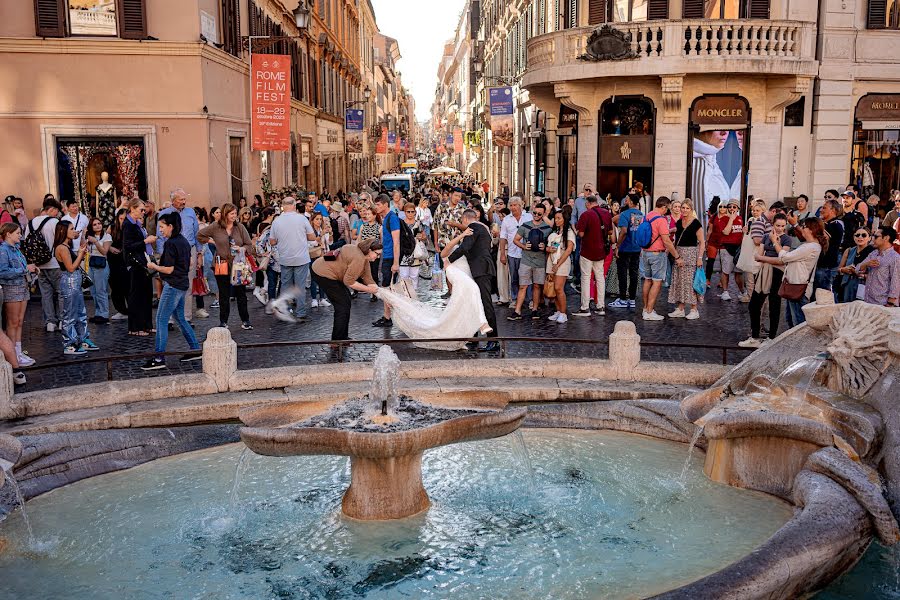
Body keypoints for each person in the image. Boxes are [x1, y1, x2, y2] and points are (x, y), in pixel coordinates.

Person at [142, 213, 202, 370]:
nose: (160, 230)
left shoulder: (170, 244)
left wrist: (154, 266)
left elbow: (169, 269)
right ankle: (195, 349)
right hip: (182, 284)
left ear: (170, 226)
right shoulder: (184, 241)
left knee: (161, 319)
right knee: (180, 318)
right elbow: (189, 263)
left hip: (173, 285)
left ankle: (159, 358)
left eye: (162, 227)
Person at [443, 209, 498, 350]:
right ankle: (474, 338)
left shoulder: (474, 227)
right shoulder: (483, 229)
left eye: (462, 221)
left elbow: (465, 247)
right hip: (481, 268)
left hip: (482, 269)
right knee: (475, 303)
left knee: (485, 304)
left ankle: (494, 340)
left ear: (466, 219)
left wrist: (449, 260)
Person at [756, 217, 825, 328]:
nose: (802, 229)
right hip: (793, 284)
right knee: (791, 320)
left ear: (811, 229)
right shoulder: (809, 245)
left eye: (804, 226)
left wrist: (774, 242)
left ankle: (799, 345)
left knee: (799, 324)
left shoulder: (811, 247)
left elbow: (785, 257)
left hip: (798, 287)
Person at [311, 239, 382, 342]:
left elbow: (368, 278)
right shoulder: (359, 259)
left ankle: (342, 337)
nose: (378, 257)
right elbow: (349, 282)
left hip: (323, 269)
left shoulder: (363, 256)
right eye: (377, 254)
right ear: (369, 250)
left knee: (346, 300)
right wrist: (369, 290)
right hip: (322, 273)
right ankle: (337, 340)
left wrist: (380, 292)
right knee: (342, 305)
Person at [198, 203, 254, 330]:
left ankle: (245, 320)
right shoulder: (215, 226)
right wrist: (211, 241)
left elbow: (249, 245)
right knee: (224, 294)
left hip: (238, 265)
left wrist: (241, 248)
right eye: (232, 214)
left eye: (235, 213)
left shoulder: (239, 227)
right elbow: (200, 235)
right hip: (221, 263)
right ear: (225, 214)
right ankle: (223, 321)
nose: (235, 216)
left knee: (241, 293)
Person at [739, 213, 791, 348]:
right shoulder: (766, 236)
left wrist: (767, 257)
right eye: (777, 225)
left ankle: (772, 338)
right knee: (754, 305)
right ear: (772, 225)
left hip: (777, 274)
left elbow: (782, 259)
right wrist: (769, 259)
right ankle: (755, 337)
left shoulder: (786, 239)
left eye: (782, 226)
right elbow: (758, 255)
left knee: (775, 305)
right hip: (764, 273)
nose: (780, 228)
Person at [267, 196, 316, 323]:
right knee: (300, 285)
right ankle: (300, 312)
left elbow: (272, 241)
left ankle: (285, 310)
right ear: (294, 205)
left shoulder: (277, 221)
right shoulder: (302, 219)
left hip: (285, 258)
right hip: (301, 257)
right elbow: (312, 237)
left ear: (283, 206)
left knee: (285, 285)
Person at [156, 188, 202, 322]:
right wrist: (161, 255)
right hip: (171, 251)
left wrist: (199, 253)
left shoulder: (190, 212)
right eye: (181, 200)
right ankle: (170, 318)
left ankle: (186, 317)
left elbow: (196, 233)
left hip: (189, 251)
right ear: (173, 201)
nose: (184, 202)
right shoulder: (164, 214)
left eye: (184, 199)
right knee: (169, 284)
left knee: (187, 284)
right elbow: (160, 236)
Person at [54, 220, 99, 355]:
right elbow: (71, 268)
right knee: (70, 314)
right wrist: (80, 254)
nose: (74, 231)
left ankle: (82, 338)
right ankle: (69, 343)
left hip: (75, 282)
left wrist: (81, 252)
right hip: (69, 282)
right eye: (71, 229)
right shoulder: (61, 248)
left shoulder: (66, 246)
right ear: (63, 231)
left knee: (80, 313)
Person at [0, 222, 38, 366]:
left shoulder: (16, 249)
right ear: (8, 234)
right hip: (11, 288)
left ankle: (19, 351)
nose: (20, 235)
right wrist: (25, 270)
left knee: (20, 322)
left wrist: (30, 269)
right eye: (17, 233)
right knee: (12, 322)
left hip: (22, 287)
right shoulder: (3, 250)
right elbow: (2, 272)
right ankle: (14, 355)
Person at [509, 202, 552, 320]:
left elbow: (552, 244)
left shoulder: (547, 229)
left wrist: (546, 248)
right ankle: (517, 311)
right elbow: (515, 240)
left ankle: (534, 310)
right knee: (523, 286)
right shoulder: (525, 225)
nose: (536, 215)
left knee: (537, 286)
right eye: (535, 213)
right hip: (526, 260)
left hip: (540, 261)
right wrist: (523, 246)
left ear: (543, 214)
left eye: (539, 214)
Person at [26, 197, 63, 331]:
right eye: (57, 211)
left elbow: (26, 242)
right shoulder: (55, 222)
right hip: (55, 263)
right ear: (52, 209)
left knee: (46, 294)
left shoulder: (31, 222)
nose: (58, 214)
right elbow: (61, 242)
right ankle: (62, 321)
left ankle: (50, 323)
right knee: (61, 293)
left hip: (39, 265)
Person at [574, 195, 613, 318]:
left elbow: (581, 233)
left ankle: (585, 307)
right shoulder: (607, 214)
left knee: (586, 278)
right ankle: (600, 306)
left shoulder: (586, 215)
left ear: (587, 204)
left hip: (587, 251)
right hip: (601, 251)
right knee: (600, 277)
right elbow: (610, 232)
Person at [640, 196, 678, 321]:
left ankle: (645, 309)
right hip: (657, 254)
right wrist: (676, 256)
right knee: (657, 282)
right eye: (667, 209)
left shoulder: (646, 216)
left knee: (647, 280)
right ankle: (650, 312)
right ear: (664, 206)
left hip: (645, 252)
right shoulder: (661, 220)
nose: (667, 212)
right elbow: (666, 241)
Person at [122, 198, 156, 336]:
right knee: (136, 296)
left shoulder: (137, 224)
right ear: (132, 209)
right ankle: (135, 328)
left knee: (147, 294)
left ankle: (147, 325)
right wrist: (145, 241)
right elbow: (128, 246)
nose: (144, 212)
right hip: (136, 263)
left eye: (144, 209)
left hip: (143, 262)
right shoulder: (128, 225)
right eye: (141, 209)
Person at [667, 204, 705, 319]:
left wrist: (700, 258)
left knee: (691, 282)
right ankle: (680, 308)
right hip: (679, 254)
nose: (684, 210)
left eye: (687, 208)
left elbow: (702, 242)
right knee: (679, 281)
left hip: (691, 255)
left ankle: (694, 309)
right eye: (683, 208)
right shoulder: (678, 222)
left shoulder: (696, 223)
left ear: (691, 209)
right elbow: (677, 239)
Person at [372, 194, 401, 327]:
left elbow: (396, 242)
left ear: (385, 204)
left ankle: (388, 317)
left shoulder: (392, 218)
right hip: (387, 256)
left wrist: (395, 263)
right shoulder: (386, 218)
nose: (376, 207)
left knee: (387, 288)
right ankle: (387, 316)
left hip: (390, 258)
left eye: (378, 205)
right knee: (386, 288)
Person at [610, 195, 643, 309]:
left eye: (627, 199)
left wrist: (617, 246)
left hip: (625, 248)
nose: (626, 200)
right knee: (633, 273)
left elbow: (623, 231)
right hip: (636, 247)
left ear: (630, 201)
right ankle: (632, 299)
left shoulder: (624, 214)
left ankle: (623, 299)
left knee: (622, 273)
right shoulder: (640, 214)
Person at [854, 226, 900, 307]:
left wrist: (890, 303)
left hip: (883, 304)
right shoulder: (873, 253)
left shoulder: (895, 257)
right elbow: (857, 269)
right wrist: (866, 264)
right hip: (867, 300)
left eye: (876, 236)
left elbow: (896, 281)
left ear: (886, 238)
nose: (873, 239)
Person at [499, 196, 532, 308]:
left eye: (515, 205)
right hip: (512, 253)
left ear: (520, 205)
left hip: (526, 253)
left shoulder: (528, 217)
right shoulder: (507, 219)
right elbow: (503, 237)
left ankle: (529, 299)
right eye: (511, 205)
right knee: (514, 277)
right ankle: (514, 298)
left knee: (527, 277)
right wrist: (502, 254)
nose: (513, 208)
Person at [546, 205, 576, 323]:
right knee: (554, 288)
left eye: (559, 218)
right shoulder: (555, 232)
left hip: (562, 262)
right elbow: (549, 247)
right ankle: (558, 311)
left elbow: (569, 250)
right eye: (556, 218)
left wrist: (558, 264)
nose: (557, 220)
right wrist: (548, 250)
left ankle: (563, 313)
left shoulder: (569, 232)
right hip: (552, 261)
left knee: (559, 288)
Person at [84, 217, 112, 324]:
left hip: (102, 265)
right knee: (93, 291)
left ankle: (104, 314)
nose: (98, 226)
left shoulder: (107, 236)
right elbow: (84, 246)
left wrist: (96, 242)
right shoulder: (89, 237)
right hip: (91, 264)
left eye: (99, 223)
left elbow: (104, 251)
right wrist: (84, 234)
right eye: (95, 224)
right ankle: (98, 313)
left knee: (101, 290)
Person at [836, 227, 874, 303]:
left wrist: (859, 273)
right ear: (854, 237)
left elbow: (875, 274)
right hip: (848, 284)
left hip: (864, 285)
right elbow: (839, 268)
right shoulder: (849, 250)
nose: (860, 237)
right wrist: (844, 269)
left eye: (863, 235)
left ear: (869, 238)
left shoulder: (873, 252)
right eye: (857, 235)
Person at [817, 199, 845, 296]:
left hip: (827, 266)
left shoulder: (834, 224)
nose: (821, 210)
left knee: (824, 296)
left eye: (824, 208)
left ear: (833, 210)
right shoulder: (829, 224)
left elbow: (820, 240)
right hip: (823, 265)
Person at [107, 208, 130, 321]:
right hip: (113, 260)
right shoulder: (112, 228)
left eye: (125, 219)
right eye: (121, 219)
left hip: (126, 260)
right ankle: (121, 310)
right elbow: (104, 241)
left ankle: (130, 310)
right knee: (115, 286)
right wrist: (110, 248)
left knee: (127, 286)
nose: (123, 221)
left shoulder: (131, 228)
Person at [399, 202, 425, 291]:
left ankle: (413, 295)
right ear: (405, 212)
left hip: (415, 252)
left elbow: (424, 237)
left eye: (412, 211)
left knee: (414, 276)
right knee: (403, 276)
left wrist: (422, 237)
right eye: (408, 212)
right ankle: (405, 295)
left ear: (415, 212)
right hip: (404, 252)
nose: (410, 214)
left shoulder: (418, 223)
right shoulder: (401, 224)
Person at [308, 212, 332, 308]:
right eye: (317, 219)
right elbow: (311, 244)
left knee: (323, 277)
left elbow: (330, 242)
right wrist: (320, 235)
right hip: (313, 256)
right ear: (313, 220)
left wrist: (330, 233)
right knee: (314, 278)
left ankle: (322, 298)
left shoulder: (323, 229)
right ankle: (314, 299)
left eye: (320, 219)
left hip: (324, 255)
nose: (319, 221)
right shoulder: (310, 232)